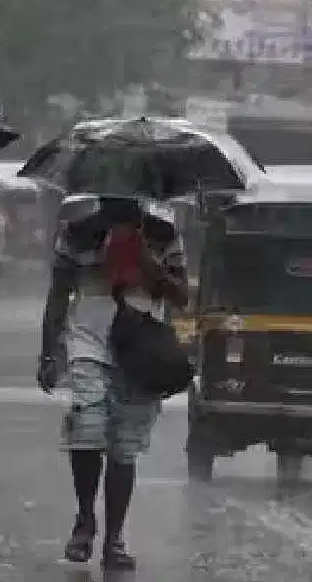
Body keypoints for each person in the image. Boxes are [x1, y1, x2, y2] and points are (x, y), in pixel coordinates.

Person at [37, 196, 189, 571]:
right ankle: (85, 518)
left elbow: (182, 296)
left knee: (124, 445)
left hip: (140, 347)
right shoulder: (77, 231)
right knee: (87, 428)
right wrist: (48, 352)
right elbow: (58, 292)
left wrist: (150, 267)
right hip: (88, 340)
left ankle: (114, 537)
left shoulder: (162, 233)